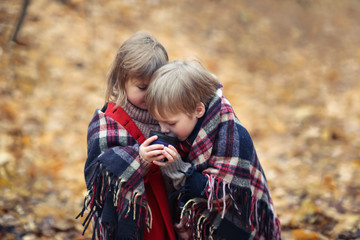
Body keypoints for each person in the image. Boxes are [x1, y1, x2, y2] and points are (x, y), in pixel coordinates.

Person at [146, 60, 282, 240]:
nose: (163, 129)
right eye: (159, 122)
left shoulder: (232, 135)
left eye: (170, 123)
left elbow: (223, 196)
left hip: (234, 218)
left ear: (198, 110)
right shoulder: (183, 129)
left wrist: (180, 171)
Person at [76, 31, 177, 240]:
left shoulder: (169, 116)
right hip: (132, 214)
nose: (150, 95)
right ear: (122, 81)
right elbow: (97, 173)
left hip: (166, 209)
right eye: (142, 87)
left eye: (156, 87)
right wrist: (139, 159)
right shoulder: (108, 121)